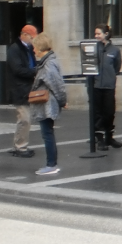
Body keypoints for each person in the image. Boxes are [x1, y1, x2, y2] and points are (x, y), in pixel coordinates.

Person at [29, 33, 68, 176]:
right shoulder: (48, 61)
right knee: (47, 133)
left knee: (47, 134)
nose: (33, 50)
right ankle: (51, 163)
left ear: (40, 47)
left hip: (47, 104)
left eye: (34, 47)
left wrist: (63, 101)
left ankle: (51, 164)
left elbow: (57, 85)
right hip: (47, 104)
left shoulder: (48, 64)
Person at [6, 24, 38, 158]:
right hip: (19, 88)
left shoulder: (29, 48)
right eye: (31, 37)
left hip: (27, 87)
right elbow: (17, 69)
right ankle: (20, 147)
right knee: (24, 118)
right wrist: (34, 72)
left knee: (25, 118)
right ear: (24, 35)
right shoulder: (14, 49)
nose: (33, 40)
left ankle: (19, 144)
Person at [91, 24, 122, 150]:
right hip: (96, 85)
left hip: (109, 85)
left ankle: (109, 136)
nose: (96, 36)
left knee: (109, 112)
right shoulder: (93, 49)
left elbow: (117, 66)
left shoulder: (115, 50)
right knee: (98, 113)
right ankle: (99, 138)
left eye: (98, 33)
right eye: (96, 34)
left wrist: (110, 76)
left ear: (106, 34)